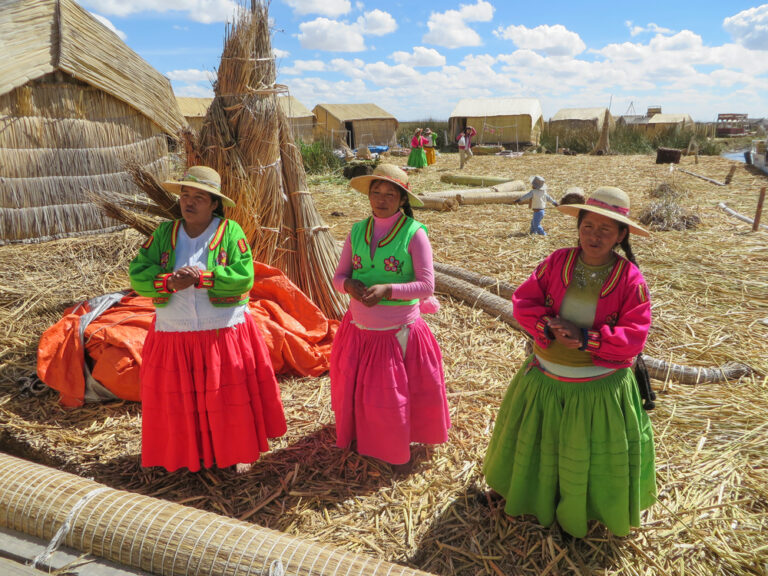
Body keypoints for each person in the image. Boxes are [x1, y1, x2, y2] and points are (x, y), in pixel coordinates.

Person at [483, 186, 655, 538]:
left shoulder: (630, 279)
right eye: (588, 226)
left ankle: (583, 510)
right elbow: (524, 300)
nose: (594, 236)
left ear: (621, 235)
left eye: (606, 230)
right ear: (578, 226)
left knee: (585, 455)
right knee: (538, 446)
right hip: (545, 378)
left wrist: (586, 339)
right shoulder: (557, 262)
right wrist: (546, 324)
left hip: (597, 391)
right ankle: (530, 496)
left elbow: (634, 337)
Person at [129, 165, 287, 473]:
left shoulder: (230, 232)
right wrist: (169, 283)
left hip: (221, 334)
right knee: (182, 401)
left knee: (225, 398)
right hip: (175, 333)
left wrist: (203, 278)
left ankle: (232, 454)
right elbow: (138, 273)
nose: (188, 202)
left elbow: (244, 276)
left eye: (199, 197)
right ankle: (191, 455)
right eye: (185, 195)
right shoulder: (164, 233)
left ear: (214, 203)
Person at [330, 164, 451, 470]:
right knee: (362, 392)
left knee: (391, 398)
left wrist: (388, 289)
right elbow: (339, 276)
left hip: (397, 335)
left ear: (402, 199)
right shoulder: (357, 231)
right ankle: (365, 436)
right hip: (359, 330)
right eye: (376, 192)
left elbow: (427, 285)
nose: (381, 199)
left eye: (390, 194)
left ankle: (394, 447)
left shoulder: (414, 234)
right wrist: (349, 285)